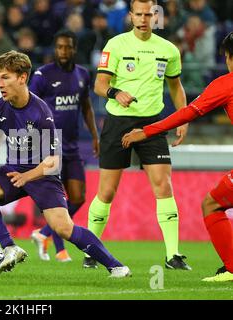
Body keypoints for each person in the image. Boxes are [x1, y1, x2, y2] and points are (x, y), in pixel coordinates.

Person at [0, 50, 131, 277]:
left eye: (5, 77)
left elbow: (54, 161)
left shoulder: (41, 113)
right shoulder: (1, 105)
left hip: (42, 176)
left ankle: (116, 266)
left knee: (64, 228)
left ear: (22, 78)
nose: (0, 83)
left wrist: (27, 177)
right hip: (14, 169)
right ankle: (10, 247)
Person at [84, 0, 192, 270]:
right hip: (118, 123)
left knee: (164, 185)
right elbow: (99, 84)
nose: (144, 18)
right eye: (139, 14)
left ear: (156, 16)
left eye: (149, 14)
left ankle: (173, 255)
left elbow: (176, 87)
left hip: (152, 125)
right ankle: (91, 250)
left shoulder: (168, 50)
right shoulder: (116, 44)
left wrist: (184, 117)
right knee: (107, 192)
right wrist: (115, 93)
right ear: (131, 15)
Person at [122, 32, 233, 282]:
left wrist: (147, 131)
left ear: (228, 57)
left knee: (212, 205)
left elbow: (186, 114)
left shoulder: (226, 84)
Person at [29, 29, 99, 263]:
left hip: (72, 146)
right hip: (49, 146)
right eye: (60, 47)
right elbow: (30, 106)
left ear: (74, 49)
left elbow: (87, 106)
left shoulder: (82, 74)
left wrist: (95, 136)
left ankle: (44, 233)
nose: (64, 51)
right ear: (55, 49)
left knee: (78, 197)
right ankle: (59, 249)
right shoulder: (42, 75)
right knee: (57, 200)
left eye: (68, 47)